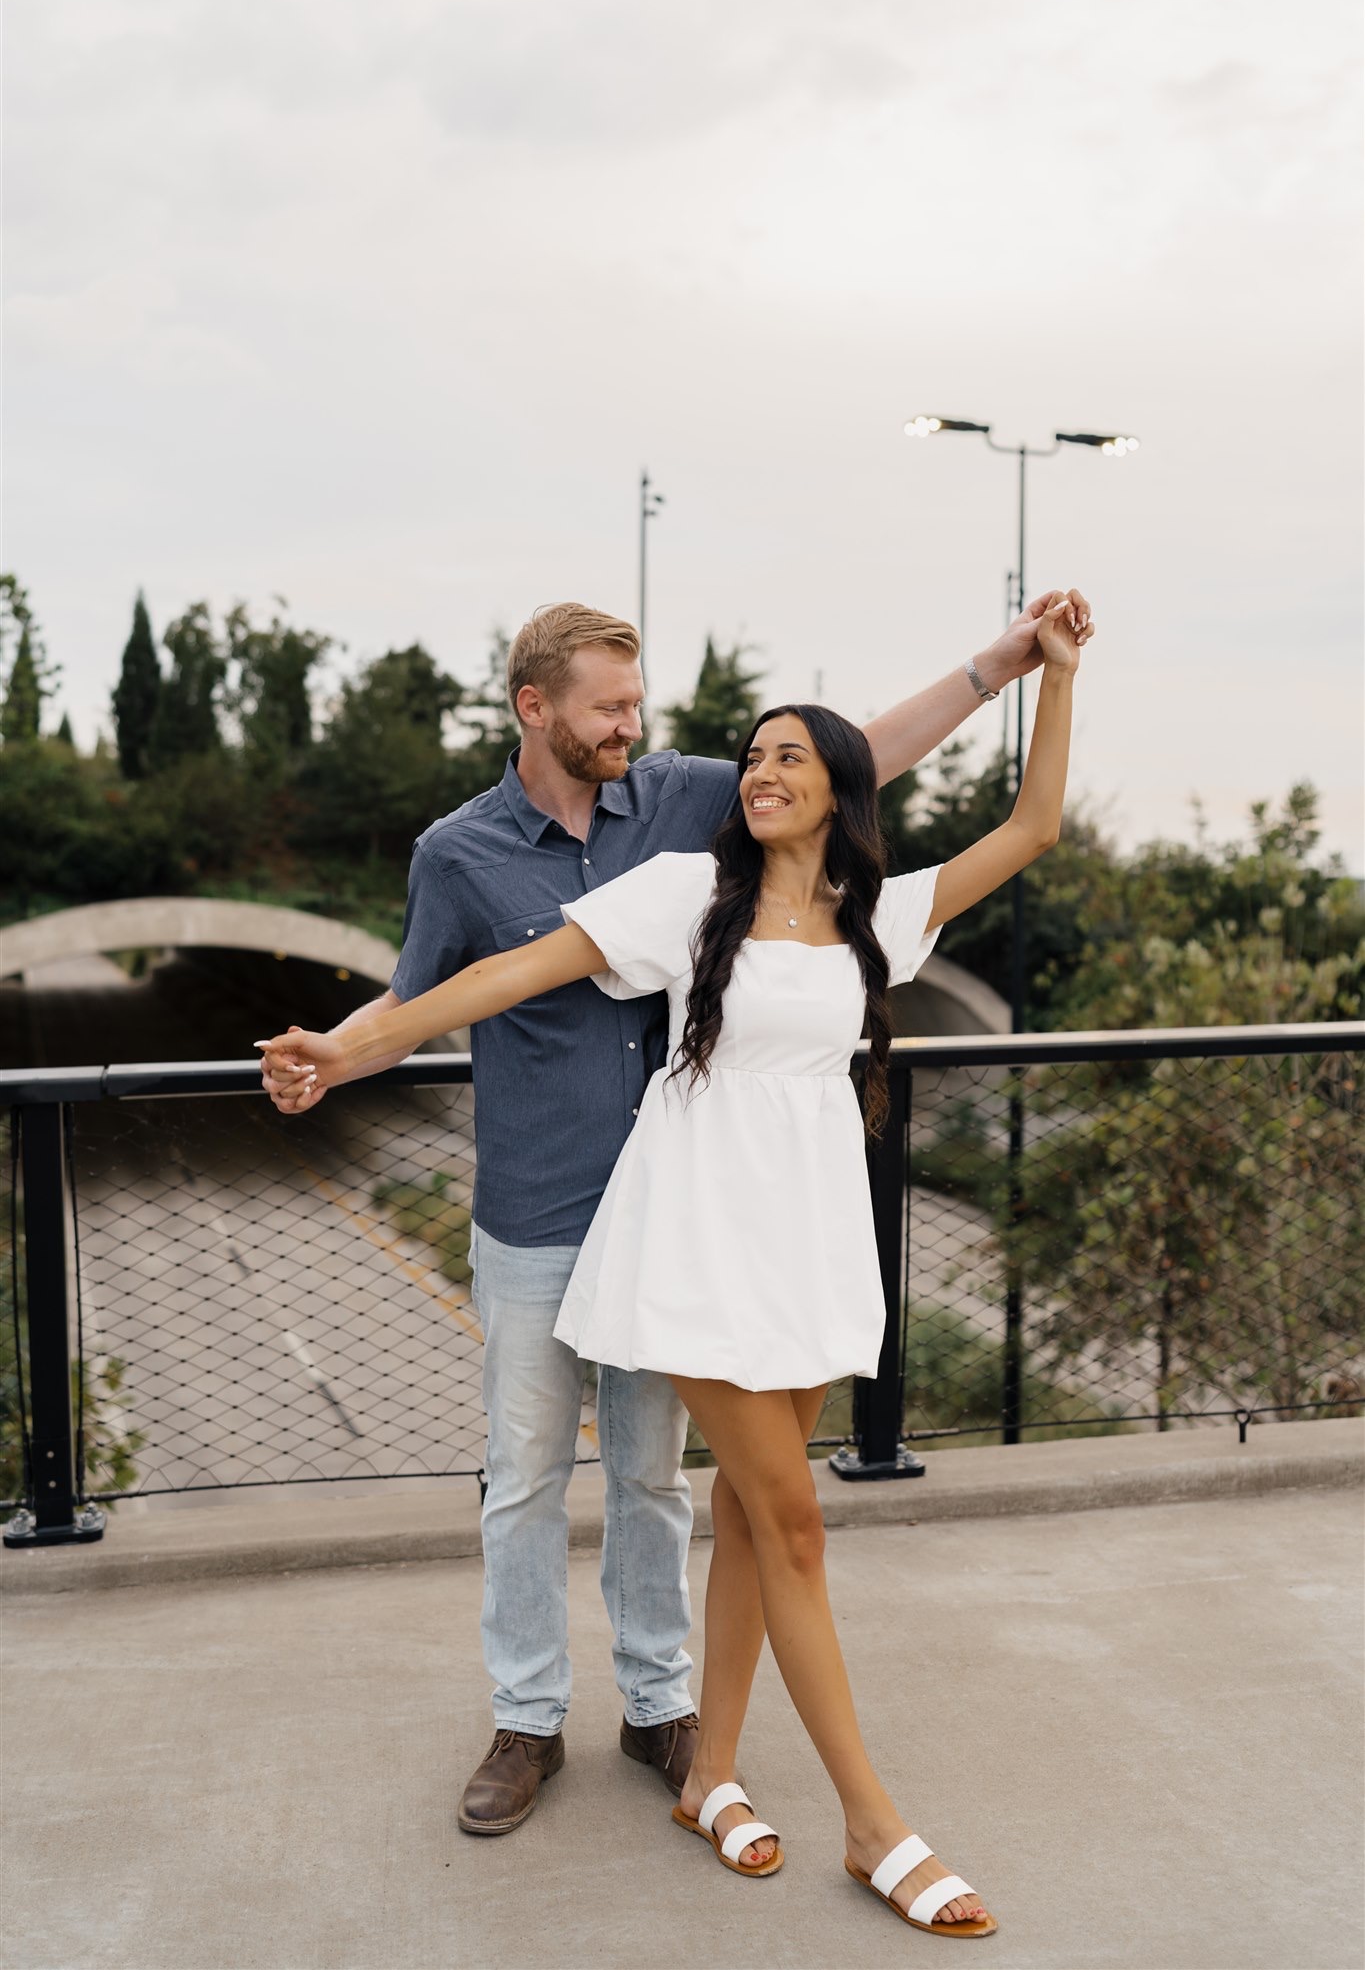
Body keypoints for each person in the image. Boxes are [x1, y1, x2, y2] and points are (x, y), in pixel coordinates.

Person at [260, 594, 1091, 1843]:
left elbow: (872, 754)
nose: (638, 731)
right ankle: (535, 1723)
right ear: (535, 707)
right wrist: (343, 1046)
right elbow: (464, 982)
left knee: (665, 1485)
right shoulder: (541, 863)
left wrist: (1013, 666)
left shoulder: (719, 825)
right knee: (537, 1481)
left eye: (640, 709)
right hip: (571, 1214)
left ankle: (670, 1719)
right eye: (610, 707)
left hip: (769, 1232)